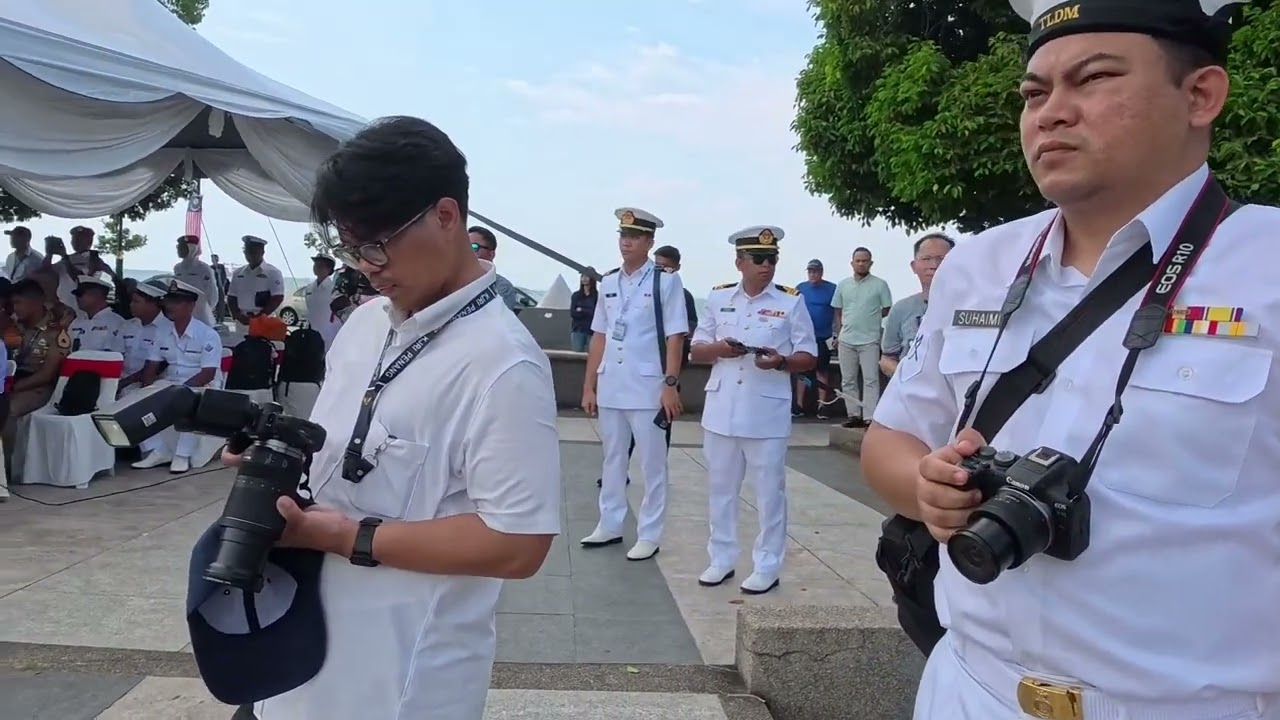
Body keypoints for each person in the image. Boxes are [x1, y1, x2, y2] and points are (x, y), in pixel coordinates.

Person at [863, 1, 1280, 717]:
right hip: (969, 688)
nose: (1051, 113)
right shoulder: (980, 263)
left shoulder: (1266, 264)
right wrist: (925, 488)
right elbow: (890, 439)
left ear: (1201, 95)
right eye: (1035, 92)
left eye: (1092, 79)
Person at [216, 116, 560, 720]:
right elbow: (339, 454)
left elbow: (518, 542)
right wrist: (278, 463)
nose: (365, 264)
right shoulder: (366, 323)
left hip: (398, 679)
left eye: (377, 243)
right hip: (292, 649)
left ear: (446, 216)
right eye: (349, 247)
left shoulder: (503, 364)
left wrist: (346, 537)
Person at [690, 226, 816, 594]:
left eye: (772, 259)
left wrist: (780, 362)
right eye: (758, 259)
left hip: (766, 413)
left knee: (769, 493)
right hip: (722, 408)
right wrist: (719, 350)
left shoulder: (791, 301)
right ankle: (721, 558)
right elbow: (696, 349)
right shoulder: (718, 298)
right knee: (721, 489)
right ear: (739, 262)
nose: (767, 266)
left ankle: (767, 564)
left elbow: (809, 356)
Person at [579, 207, 688, 561]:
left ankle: (650, 533)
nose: (627, 241)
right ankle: (609, 524)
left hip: (648, 385)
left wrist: (669, 384)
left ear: (649, 242)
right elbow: (599, 335)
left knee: (652, 463)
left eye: (636, 236)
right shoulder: (609, 282)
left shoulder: (665, 281)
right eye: (623, 235)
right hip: (613, 382)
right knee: (612, 458)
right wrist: (589, 385)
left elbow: (675, 336)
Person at [130, 280, 221, 474]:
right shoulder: (162, 332)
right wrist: (146, 388)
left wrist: (178, 390)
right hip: (171, 381)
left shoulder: (207, 334)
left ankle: (182, 455)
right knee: (138, 399)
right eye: (169, 301)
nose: (169, 306)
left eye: (176, 302)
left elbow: (207, 373)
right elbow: (151, 366)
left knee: (183, 399)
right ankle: (157, 449)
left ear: (190, 306)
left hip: (202, 383)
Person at [831, 246, 892, 428]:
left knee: (871, 378)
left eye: (864, 261)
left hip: (870, 339)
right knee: (848, 379)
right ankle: (853, 414)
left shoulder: (880, 284)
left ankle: (870, 416)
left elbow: (887, 308)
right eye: (858, 261)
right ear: (852, 263)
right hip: (846, 339)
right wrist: (839, 331)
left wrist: (872, 319)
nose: (861, 264)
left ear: (870, 263)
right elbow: (837, 310)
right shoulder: (843, 285)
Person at [880, 233, 954, 379]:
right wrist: (908, 377)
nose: (934, 265)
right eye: (926, 259)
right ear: (914, 266)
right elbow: (887, 359)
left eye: (942, 259)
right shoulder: (901, 309)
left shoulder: (973, 306)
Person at [793, 259, 837, 418]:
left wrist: (836, 333)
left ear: (821, 272)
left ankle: (822, 405)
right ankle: (798, 404)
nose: (813, 274)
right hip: (804, 337)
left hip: (823, 336)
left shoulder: (832, 289)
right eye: (810, 271)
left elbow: (838, 312)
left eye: (815, 271)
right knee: (803, 371)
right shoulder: (801, 288)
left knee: (822, 371)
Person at [116, 282, 171, 393]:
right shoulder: (127, 326)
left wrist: (123, 383)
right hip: (119, 384)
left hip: (149, 389)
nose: (131, 305)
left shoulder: (169, 329)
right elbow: (116, 355)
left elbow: (159, 366)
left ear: (154, 304)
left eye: (136, 302)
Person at [227, 236, 286, 327]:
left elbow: (277, 298)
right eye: (248, 251)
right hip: (241, 319)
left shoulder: (273, 272)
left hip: (263, 319)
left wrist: (259, 317)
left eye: (254, 251)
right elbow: (232, 296)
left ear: (262, 252)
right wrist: (237, 315)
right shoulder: (238, 273)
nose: (250, 255)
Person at [67, 274, 125, 353]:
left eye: (80, 294)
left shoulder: (116, 323)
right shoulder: (76, 322)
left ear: (96, 295)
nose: (78, 298)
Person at [468, 226, 519, 309]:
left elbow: (500, 319)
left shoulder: (503, 287)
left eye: (474, 247)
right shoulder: (451, 283)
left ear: (491, 254)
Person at [173, 235, 219, 327]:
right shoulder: (177, 268)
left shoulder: (203, 268)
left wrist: (206, 309)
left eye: (182, 247)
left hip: (201, 314)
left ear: (191, 249)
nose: (179, 250)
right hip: (182, 312)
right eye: (178, 247)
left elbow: (212, 293)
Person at [304, 254, 340, 349]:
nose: (316, 268)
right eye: (315, 265)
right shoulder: (309, 288)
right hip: (312, 331)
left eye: (320, 265)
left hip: (330, 332)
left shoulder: (334, 289)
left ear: (329, 270)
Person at [569, 273, 598, 352]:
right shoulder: (576, 295)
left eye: (587, 276)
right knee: (576, 354)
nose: (584, 278)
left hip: (592, 330)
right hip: (578, 329)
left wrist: (581, 309)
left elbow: (594, 313)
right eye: (582, 276)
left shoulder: (597, 296)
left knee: (592, 354)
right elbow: (573, 313)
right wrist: (587, 310)